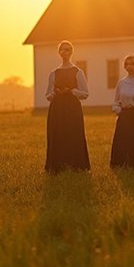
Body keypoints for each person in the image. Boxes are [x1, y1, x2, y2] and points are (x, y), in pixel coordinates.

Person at [45, 40, 90, 172]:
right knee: (57, 133)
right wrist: (53, 94)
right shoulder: (54, 73)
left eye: (68, 49)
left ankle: (76, 164)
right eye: (63, 49)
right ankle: (57, 165)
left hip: (72, 107)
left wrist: (72, 91)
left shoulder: (78, 71)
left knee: (73, 132)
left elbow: (85, 93)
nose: (65, 52)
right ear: (59, 52)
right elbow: (47, 93)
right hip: (57, 107)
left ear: (72, 52)